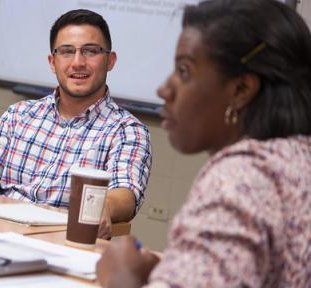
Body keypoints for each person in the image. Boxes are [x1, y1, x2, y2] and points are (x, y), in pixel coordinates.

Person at [97, 0, 311, 287]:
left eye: (184, 71)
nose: (164, 89)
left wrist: (123, 279)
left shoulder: (242, 177)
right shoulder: (298, 158)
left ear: (241, 89)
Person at [0, 9, 151, 239]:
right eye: (67, 52)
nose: (78, 62)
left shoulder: (127, 130)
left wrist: (104, 207)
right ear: (52, 62)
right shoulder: (18, 115)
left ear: (110, 60)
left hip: (59, 244)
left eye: (90, 51)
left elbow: (125, 194)